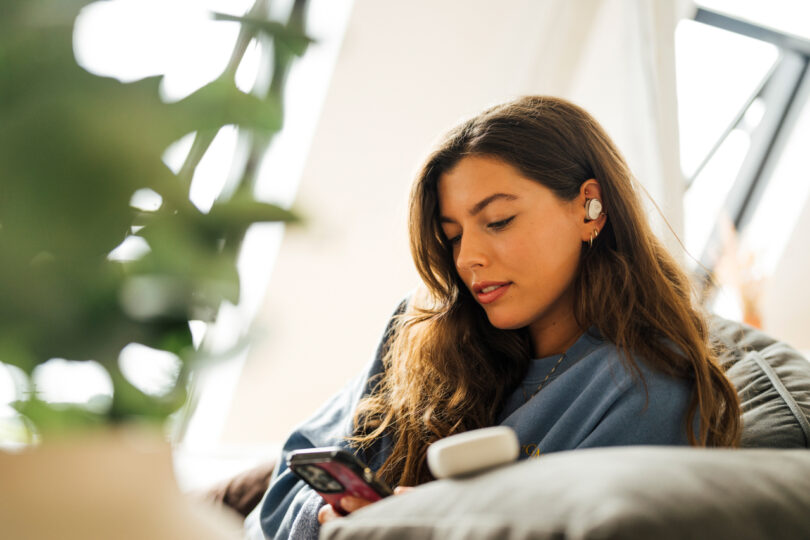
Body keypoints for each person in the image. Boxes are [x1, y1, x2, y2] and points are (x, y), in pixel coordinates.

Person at [244, 95, 741, 539]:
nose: (466, 260)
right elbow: (286, 484)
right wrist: (328, 520)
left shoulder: (648, 387)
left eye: (498, 221)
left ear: (590, 207)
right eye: (453, 234)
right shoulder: (422, 326)